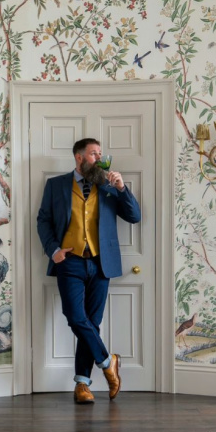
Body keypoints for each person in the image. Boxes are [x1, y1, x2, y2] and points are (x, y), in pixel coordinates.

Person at [37, 138, 141, 404]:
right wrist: (53, 250)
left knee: (91, 324)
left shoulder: (108, 186)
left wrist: (121, 188)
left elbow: (134, 216)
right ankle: (108, 362)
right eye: (94, 154)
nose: (100, 158)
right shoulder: (56, 185)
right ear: (79, 157)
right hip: (69, 261)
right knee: (75, 316)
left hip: (100, 263)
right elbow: (44, 220)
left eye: (100, 153)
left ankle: (82, 384)